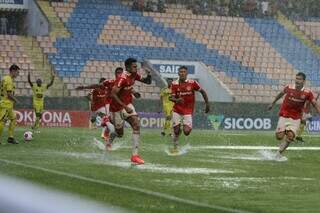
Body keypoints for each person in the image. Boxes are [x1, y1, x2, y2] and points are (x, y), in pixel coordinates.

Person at [268, 72, 320, 158]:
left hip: (296, 117)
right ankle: (285, 131)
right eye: (296, 79)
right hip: (284, 115)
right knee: (279, 137)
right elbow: (280, 94)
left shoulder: (307, 93)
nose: (297, 81)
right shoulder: (289, 88)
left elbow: (315, 104)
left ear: (304, 81)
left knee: (291, 136)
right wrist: (273, 103)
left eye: (299, 79)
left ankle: (279, 153)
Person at [111, 58, 151, 164]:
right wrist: (125, 106)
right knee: (120, 133)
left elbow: (147, 81)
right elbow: (113, 94)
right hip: (117, 108)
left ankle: (135, 156)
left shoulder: (134, 75)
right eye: (134, 66)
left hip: (128, 104)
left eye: (136, 66)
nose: (136, 68)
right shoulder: (122, 78)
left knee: (136, 124)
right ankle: (112, 136)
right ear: (128, 67)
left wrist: (149, 73)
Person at [76, 67, 124, 149]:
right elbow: (88, 95)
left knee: (107, 119)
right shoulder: (95, 89)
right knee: (94, 118)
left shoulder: (107, 89)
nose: (103, 85)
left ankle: (105, 132)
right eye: (102, 83)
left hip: (103, 108)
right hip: (95, 108)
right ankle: (101, 127)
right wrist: (90, 98)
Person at [169, 66, 210, 154]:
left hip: (188, 111)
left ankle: (182, 128)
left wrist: (207, 104)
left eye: (184, 72)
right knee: (176, 131)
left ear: (187, 73)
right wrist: (177, 100)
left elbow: (202, 92)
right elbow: (170, 98)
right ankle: (175, 146)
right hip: (177, 110)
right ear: (178, 73)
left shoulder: (192, 83)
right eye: (180, 72)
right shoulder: (174, 83)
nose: (182, 73)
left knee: (186, 132)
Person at [0, 64, 20, 144]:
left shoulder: (5, 78)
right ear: (13, 71)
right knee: (2, 121)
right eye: (17, 72)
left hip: (6, 103)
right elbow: (9, 94)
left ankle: (10, 138)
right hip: (6, 104)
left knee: (14, 118)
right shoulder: (9, 80)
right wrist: (16, 100)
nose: (18, 74)